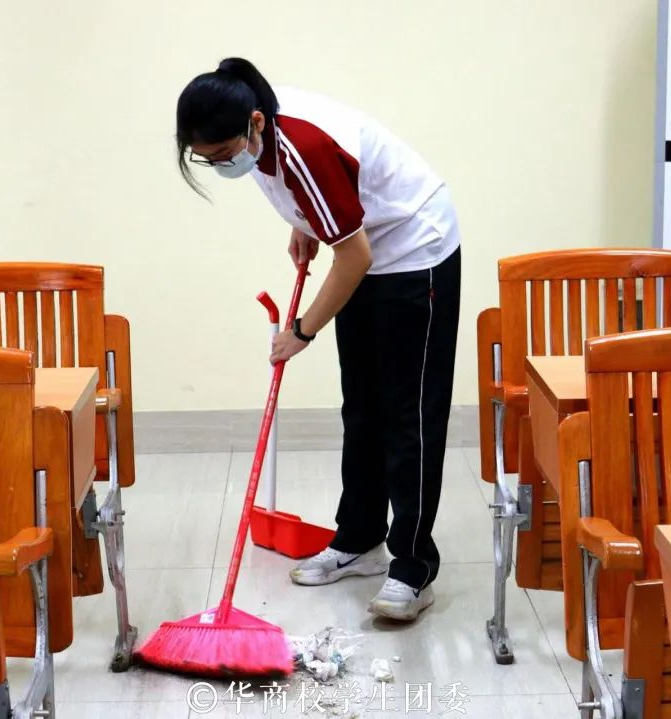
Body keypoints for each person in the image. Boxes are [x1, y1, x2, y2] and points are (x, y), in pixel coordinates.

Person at [176, 57, 461, 622]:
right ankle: (359, 538)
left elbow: (354, 254)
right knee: (363, 406)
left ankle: (413, 567)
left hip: (413, 249)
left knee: (408, 414)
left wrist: (301, 330)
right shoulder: (254, 125)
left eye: (225, 153)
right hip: (364, 248)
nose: (222, 164)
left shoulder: (300, 142)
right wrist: (306, 223)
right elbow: (320, 195)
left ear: (255, 123)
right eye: (207, 159)